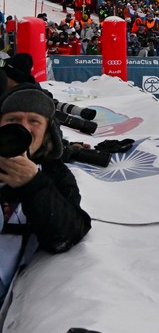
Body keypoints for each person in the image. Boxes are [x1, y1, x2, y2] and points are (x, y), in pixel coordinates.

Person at [0, 87, 92, 308]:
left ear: (47, 132)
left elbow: (67, 234)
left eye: (34, 120)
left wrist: (33, 184)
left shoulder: (55, 175)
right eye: (13, 118)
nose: (22, 126)